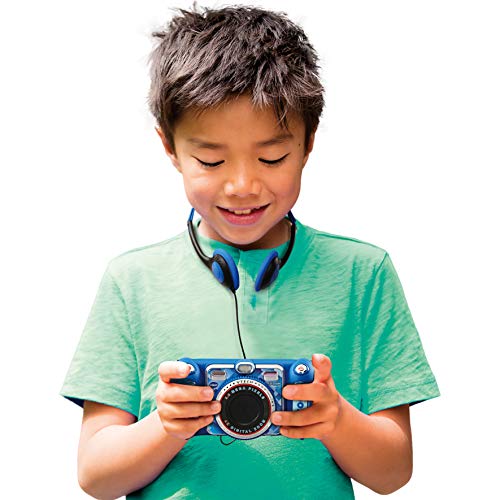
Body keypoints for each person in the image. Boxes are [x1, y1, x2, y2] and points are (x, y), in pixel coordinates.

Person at [60, 3, 440, 499]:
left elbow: (392, 474)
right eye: (210, 160)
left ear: (308, 143)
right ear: (169, 147)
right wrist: (165, 425)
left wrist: (336, 418)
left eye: (272, 157)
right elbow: (95, 476)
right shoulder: (132, 280)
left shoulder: (362, 274)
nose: (242, 185)